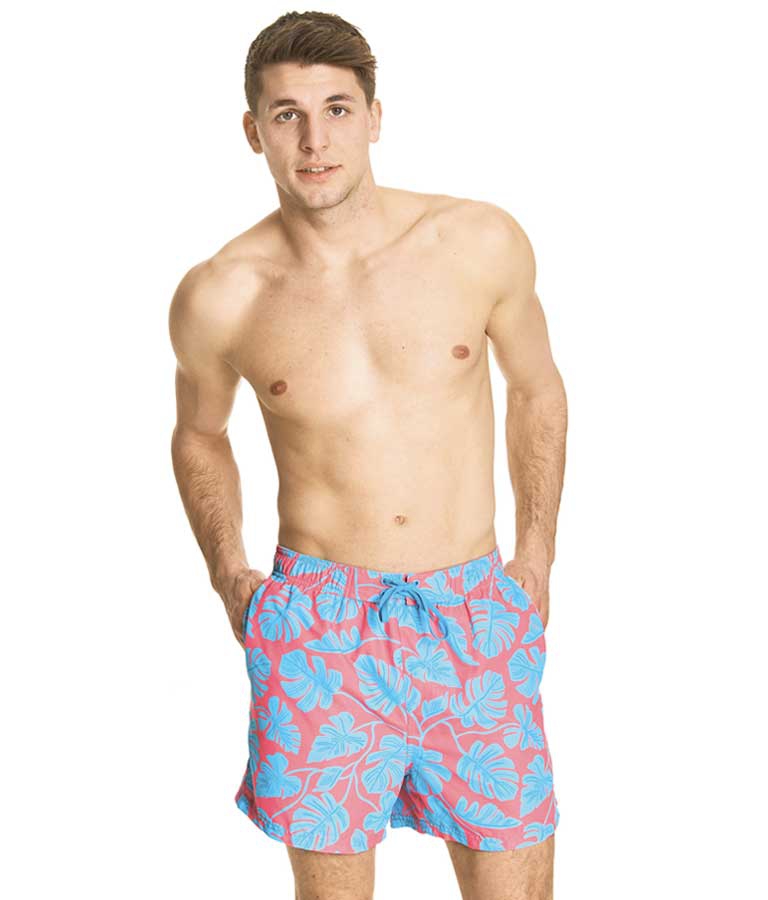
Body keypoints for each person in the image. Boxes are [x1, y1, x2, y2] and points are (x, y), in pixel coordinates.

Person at [169, 10, 567, 900]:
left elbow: (538, 389)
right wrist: (229, 573)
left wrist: (538, 552)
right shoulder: (221, 294)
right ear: (253, 131)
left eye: (338, 110)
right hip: (317, 624)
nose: (315, 141)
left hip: (473, 611)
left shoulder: (477, 242)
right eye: (288, 115)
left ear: (376, 118)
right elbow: (199, 432)